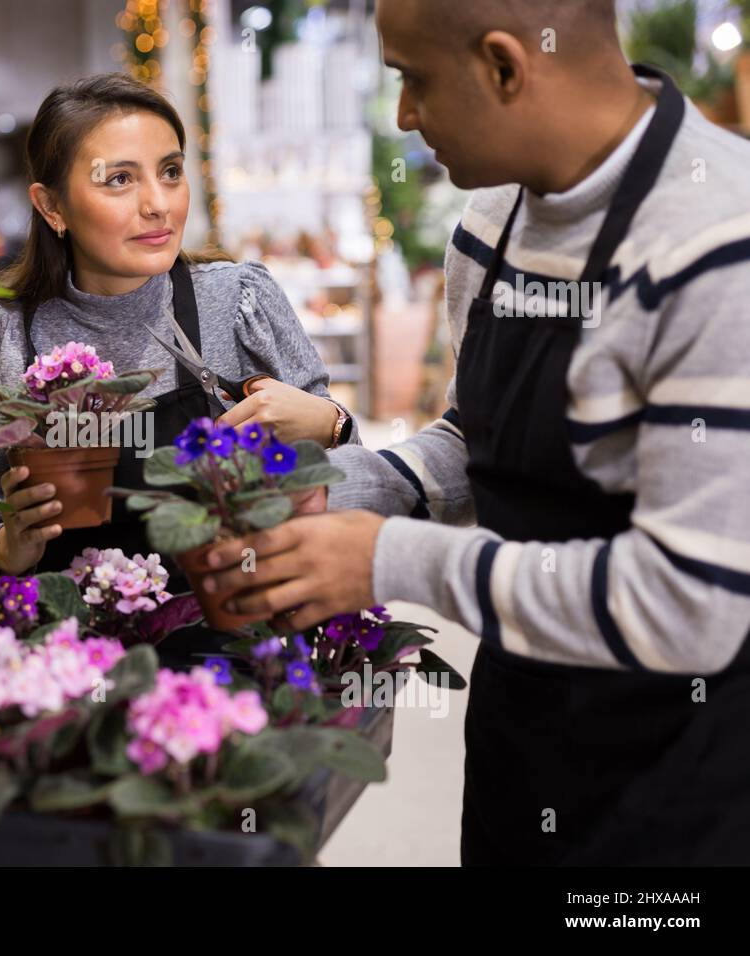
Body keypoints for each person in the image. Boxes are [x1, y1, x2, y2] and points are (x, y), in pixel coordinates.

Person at [198, 0, 750, 864]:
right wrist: (343, 491)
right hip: (521, 746)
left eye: (413, 80)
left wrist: (385, 560)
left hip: (682, 790)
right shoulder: (491, 220)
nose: (405, 117)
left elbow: (688, 606)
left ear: (503, 65)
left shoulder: (721, 241)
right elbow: (475, 436)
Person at [0, 72, 355, 663]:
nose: (157, 203)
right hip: (59, 667)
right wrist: (4, 548)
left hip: (227, 653)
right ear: (52, 206)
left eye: (171, 172)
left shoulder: (236, 302)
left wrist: (333, 424)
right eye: (120, 179)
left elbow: (336, 465)